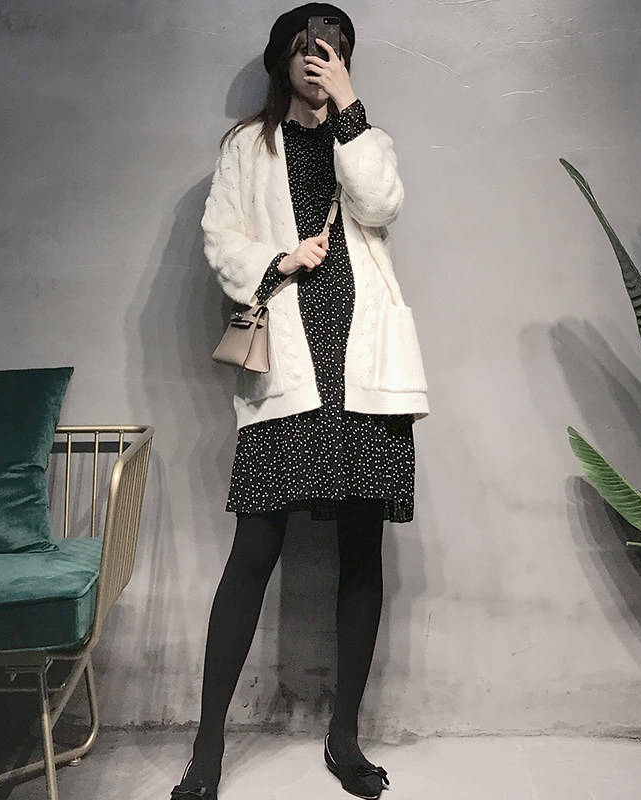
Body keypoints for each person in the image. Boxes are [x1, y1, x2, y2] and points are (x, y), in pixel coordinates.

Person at [170, 4, 429, 799]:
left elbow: (380, 204)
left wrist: (349, 108)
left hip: (365, 369)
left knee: (360, 550)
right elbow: (221, 238)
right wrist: (279, 258)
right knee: (254, 551)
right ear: (283, 58)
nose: (323, 59)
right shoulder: (247, 146)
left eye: (338, 51)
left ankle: (343, 738)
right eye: (311, 48)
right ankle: (207, 751)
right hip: (290, 363)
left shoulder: (366, 137)